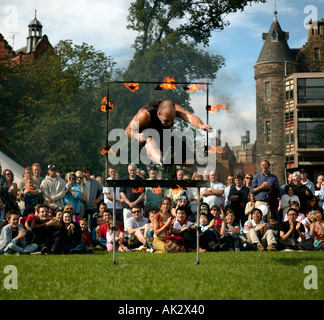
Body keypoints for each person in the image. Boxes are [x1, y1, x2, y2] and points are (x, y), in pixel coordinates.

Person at [125, 100, 212, 172]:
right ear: (159, 114)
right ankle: (163, 161)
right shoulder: (144, 115)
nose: (170, 123)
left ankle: (170, 160)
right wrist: (137, 135)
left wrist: (200, 125)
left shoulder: (174, 109)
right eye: (166, 121)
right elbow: (128, 130)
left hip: (163, 134)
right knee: (149, 140)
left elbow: (189, 117)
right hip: (143, 140)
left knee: (190, 160)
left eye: (172, 120)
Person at [120, 164, 144, 230]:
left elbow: (142, 193)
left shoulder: (140, 180)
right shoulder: (124, 180)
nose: (132, 172)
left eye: (134, 170)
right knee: (127, 224)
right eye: (131, 170)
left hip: (138, 207)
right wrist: (129, 203)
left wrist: (135, 203)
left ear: (136, 170)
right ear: (128, 171)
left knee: (139, 224)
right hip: (127, 207)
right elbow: (122, 193)